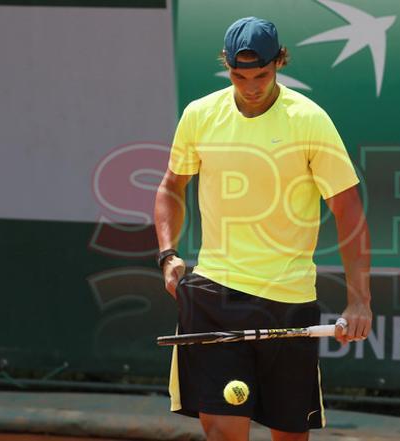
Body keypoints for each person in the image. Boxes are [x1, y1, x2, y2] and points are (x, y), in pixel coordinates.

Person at [153, 16, 372, 441]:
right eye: (239, 75)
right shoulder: (199, 115)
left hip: (288, 302)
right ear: (227, 67)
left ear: (279, 63)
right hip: (214, 294)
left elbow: (349, 212)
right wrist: (168, 254)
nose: (250, 86)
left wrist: (359, 300)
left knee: (289, 436)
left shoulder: (310, 120)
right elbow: (170, 187)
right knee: (221, 431)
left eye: (262, 75)